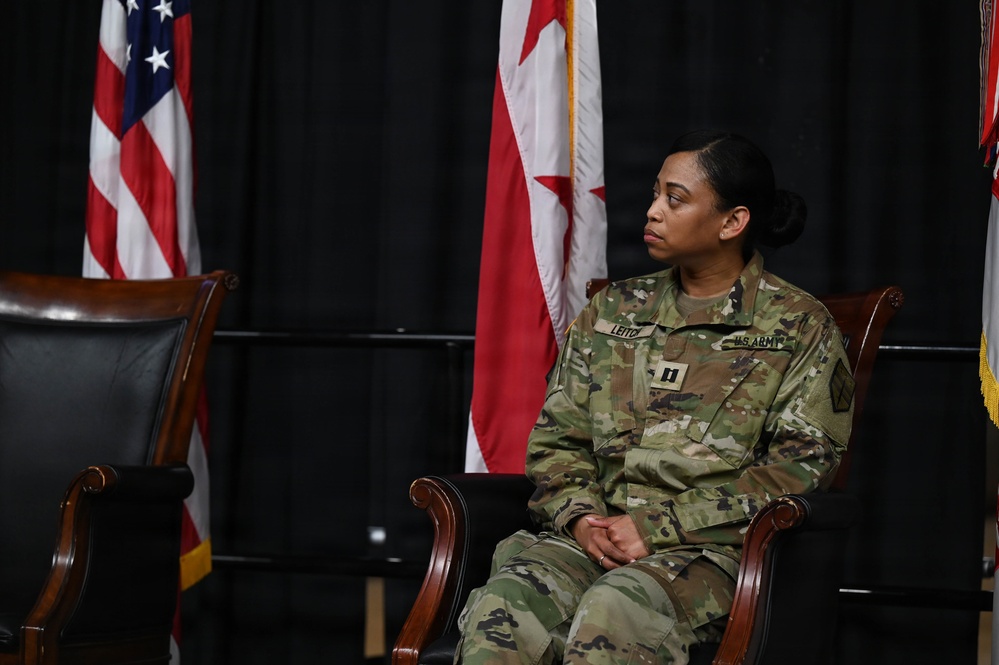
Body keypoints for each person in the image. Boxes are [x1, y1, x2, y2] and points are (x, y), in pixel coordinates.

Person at [455, 130, 854, 665]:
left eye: (675, 198)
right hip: (589, 540)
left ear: (733, 222)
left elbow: (798, 473)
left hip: (708, 554)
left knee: (614, 609)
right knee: (503, 607)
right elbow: (556, 441)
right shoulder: (612, 311)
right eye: (655, 194)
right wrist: (580, 519)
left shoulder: (798, 327)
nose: (652, 212)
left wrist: (658, 527)